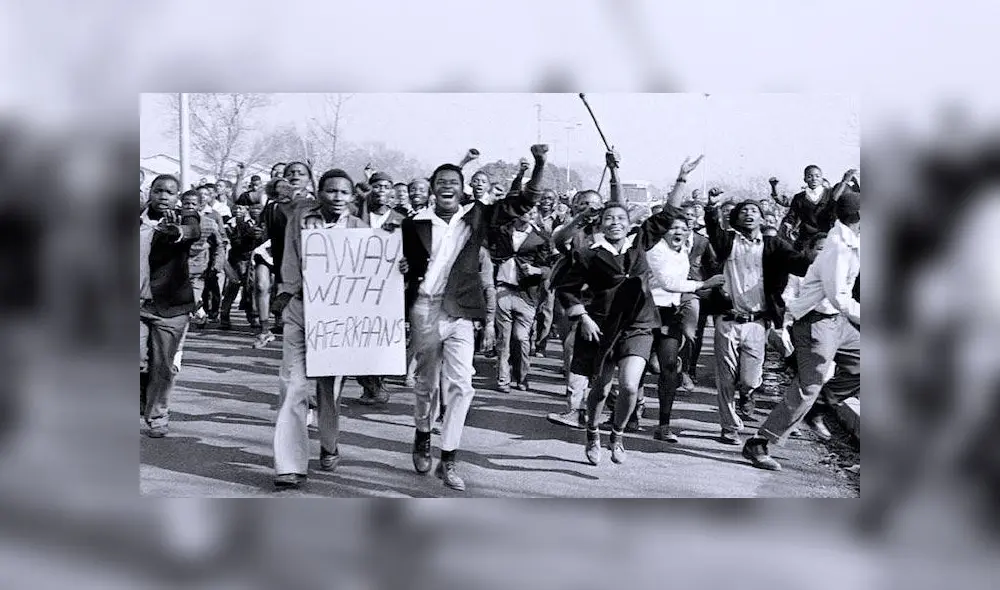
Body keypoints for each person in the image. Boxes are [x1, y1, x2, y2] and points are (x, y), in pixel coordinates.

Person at [398, 143, 548, 492]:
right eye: (441, 181)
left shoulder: (477, 217)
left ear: (462, 188)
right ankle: (423, 435)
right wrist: (402, 268)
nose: (447, 186)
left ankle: (448, 458)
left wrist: (540, 164)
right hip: (425, 311)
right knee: (425, 385)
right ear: (432, 188)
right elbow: (400, 266)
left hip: (462, 312)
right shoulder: (413, 224)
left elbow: (523, 201)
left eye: (454, 180)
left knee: (462, 385)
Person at [551, 151, 703, 465]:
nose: (616, 222)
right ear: (601, 224)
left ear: (628, 222)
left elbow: (667, 213)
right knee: (602, 389)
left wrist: (682, 176)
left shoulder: (639, 243)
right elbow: (566, 288)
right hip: (603, 327)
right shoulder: (588, 253)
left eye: (621, 218)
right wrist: (583, 317)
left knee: (630, 387)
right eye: (609, 218)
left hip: (639, 324)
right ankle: (592, 429)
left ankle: (618, 433)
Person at [743, 192, 861, 471]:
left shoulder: (852, 239)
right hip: (815, 322)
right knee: (808, 387)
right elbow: (838, 298)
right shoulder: (837, 248)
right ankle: (759, 442)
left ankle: (821, 406)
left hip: (836, 323)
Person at [268, 169, 370, 490]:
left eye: (343, 192)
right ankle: (289, 465)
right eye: (330, 191)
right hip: (300, 308)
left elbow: (371, 273)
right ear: (319, 194)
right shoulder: (301, 220)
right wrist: (285, 295)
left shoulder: (360, 229)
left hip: (337, 318)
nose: (337, 197)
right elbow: (287, 255)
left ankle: (329, 442)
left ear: (352, 197)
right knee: (292, 386)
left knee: (329, 391)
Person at [702, 190, 813, 446]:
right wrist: (711, 209)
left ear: (763, 219)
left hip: (757, 322)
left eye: (754, 211)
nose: (749, 214)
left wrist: (809, 249)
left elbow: (798, 264)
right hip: (728, 320)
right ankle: (729, 427)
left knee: (750, 379)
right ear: (735, 219)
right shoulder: (728, 241)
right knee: (725, 378)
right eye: (744, 211)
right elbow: (714, 233)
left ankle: (748, 392)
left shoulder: (773, 245)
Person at [140, 175, 201, 438]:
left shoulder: (182, 220)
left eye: (170, 193)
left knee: (162, 366)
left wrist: (178, 232)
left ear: (178, 197)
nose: (164, 196)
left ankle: (157, 415)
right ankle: (144, 400)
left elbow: (192, 230)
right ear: (149, 193)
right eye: (158, 191)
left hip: (171, 309)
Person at [545, 189, 604, 429]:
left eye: (594, 205)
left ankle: (614, 406)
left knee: (597, 354)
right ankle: (576, 407)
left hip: (602, 300)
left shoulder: (608, 231)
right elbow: (559, 240)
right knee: (572, 348)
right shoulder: (571, 230)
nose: (588, 208)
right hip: (573, 298)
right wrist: (581, 219)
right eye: (582, 204)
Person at [353, 170, 408, 405]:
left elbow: (408, 250)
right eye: (377, 186)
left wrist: (407, 264)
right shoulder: (356, 215)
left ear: (392, 192)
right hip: (357, 283)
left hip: (388, 286)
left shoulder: (400, 219)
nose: (381, 191)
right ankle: (368, 383)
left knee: (381, 336)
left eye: (386, 187)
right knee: (359, 336)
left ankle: (377, 382)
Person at [490, 206, 553, 392]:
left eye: (534, 211)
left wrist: (536, 271)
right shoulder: (502, 231)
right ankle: (503, 379)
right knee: (503, 338)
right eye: (526, 209)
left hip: (527, 293)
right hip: (503, 289)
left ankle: (522, 376)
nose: (530, 214)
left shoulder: (541, 237)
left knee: (521, 337)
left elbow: (550, 268)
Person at [219, 195, 267, 330]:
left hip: (255, 258)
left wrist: (261, 236)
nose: (256, 210)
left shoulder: (262, 221)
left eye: (258, 208)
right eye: (252, 207)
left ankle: (253, 315)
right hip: (238, 258)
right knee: (233, 286)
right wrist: (249, 235)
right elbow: (235, 243)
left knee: (252, 288)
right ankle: (224, 315)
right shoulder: (235, 222)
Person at [779, 166, 856, 248]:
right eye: (809, 176)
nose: (814, 179)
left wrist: (844, 181)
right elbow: (792, 215)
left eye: (817, 176)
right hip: (806, 239)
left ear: (822, 178)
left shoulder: (830, 193)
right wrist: (788, 225)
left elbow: (837, 203)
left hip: (827, 237)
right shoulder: (799, 197)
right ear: (804, 179)